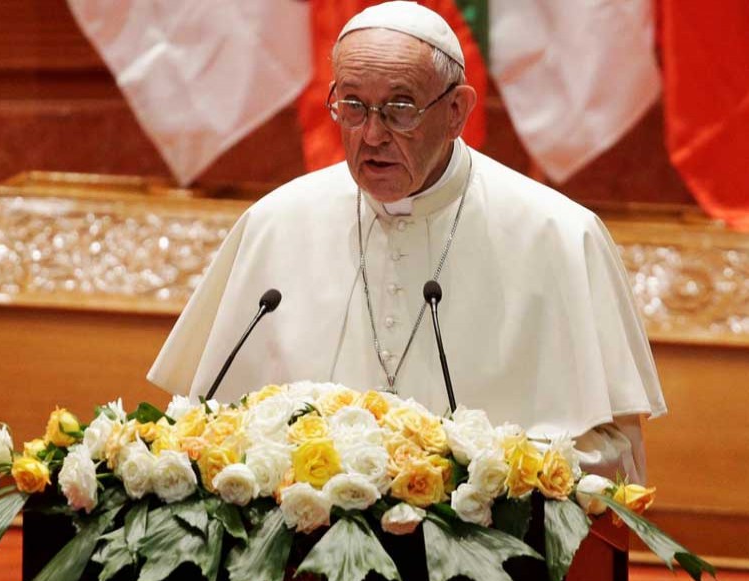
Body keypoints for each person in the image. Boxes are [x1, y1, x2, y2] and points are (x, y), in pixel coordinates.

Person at [148, 1, 666, 484]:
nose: (372, 135)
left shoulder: (559, 235)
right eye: (352, 106)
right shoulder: (275, 224)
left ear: (457, 110)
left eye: (400, 108)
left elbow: (611, 463)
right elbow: (204, 431)